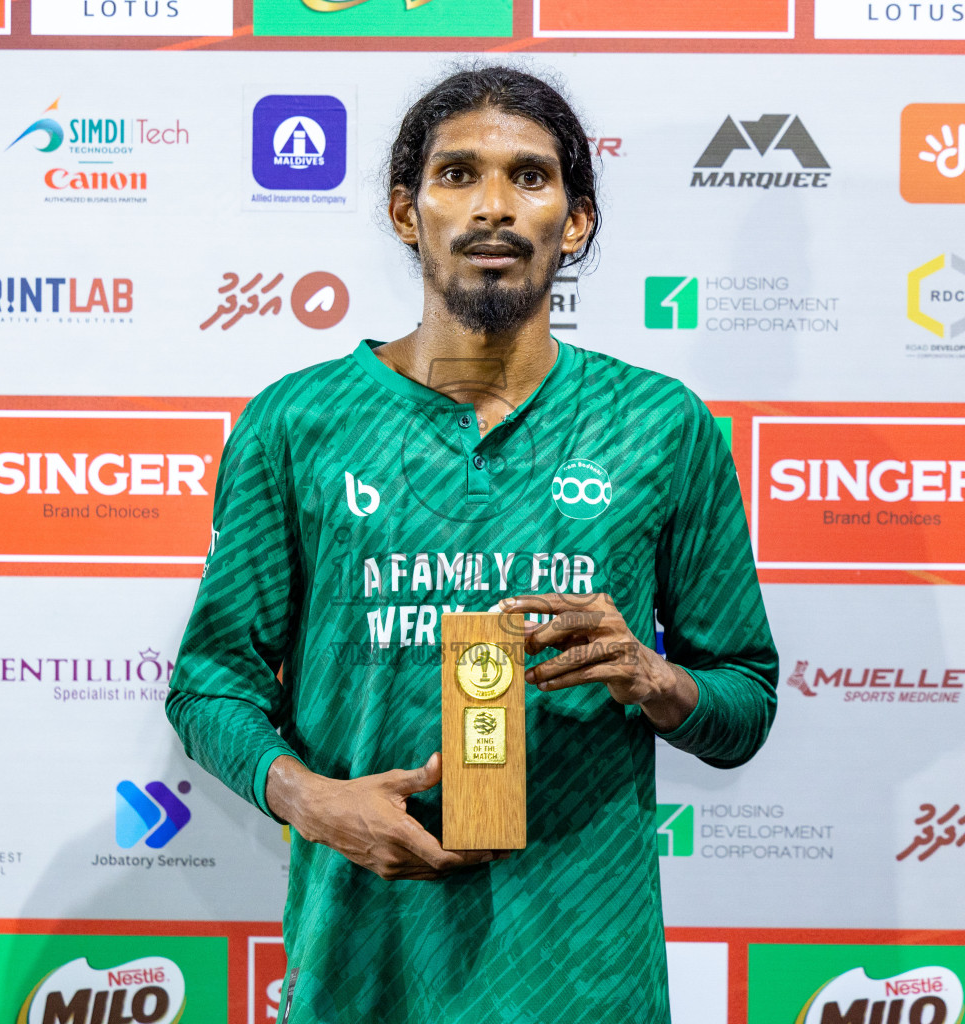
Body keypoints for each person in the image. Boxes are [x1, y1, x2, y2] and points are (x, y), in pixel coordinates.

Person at [167, 65, 779, 1024]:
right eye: (457, 173)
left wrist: (658, 682)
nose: (492, 206)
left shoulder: (662, 424)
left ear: (574, 222)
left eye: (530, 177)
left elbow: (743, 699)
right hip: (362, 969)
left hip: (587, 979)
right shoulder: (297, 422)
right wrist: (305, 798)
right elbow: (210, 684)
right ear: (406, 213)